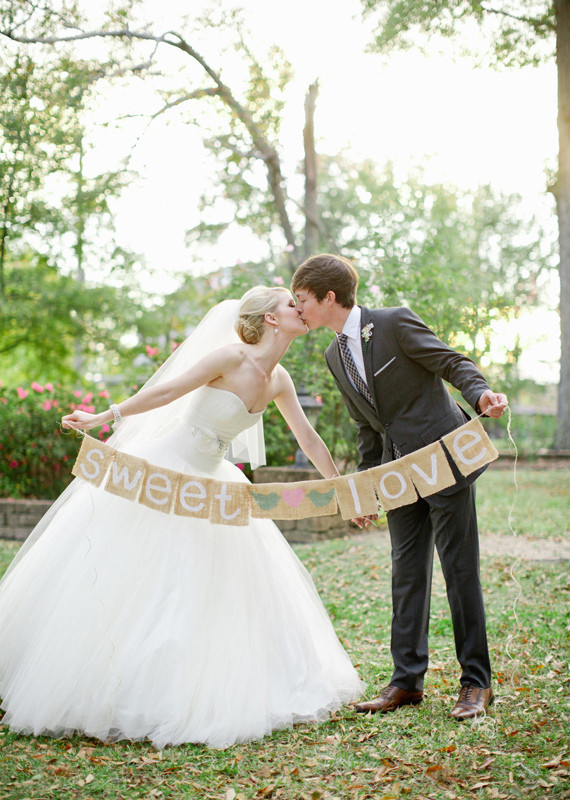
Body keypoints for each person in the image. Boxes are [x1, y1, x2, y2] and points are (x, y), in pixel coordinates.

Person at [0, 286, 363, 749]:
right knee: (147, 575)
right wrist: (102, 416)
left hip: (216, 483)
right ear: (271, 319)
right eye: (292, 304)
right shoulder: (229, 358)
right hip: (168, 471)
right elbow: (167, 390)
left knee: (215, 586)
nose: (302, 309)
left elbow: (309, 440)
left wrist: (340, 489)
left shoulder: (280, 380)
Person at [291, 254, 508, 721]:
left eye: (302, 300)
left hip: (445, 462)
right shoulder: (333, 354)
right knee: (406, 575)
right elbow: (366, 428)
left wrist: (481, 393)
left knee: (459, 571)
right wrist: (369, 487)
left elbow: (451, 362)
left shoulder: (393, 323)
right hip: (398, 476)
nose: (298, 309)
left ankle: (476, 683)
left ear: (329, 297)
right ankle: (406, 682)